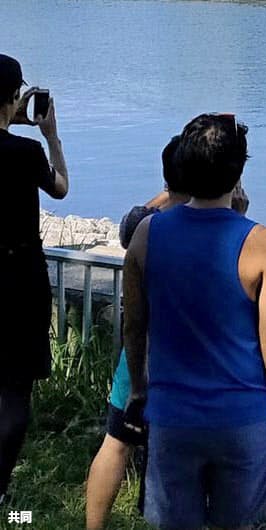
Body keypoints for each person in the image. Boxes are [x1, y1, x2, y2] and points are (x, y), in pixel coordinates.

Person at [123, 113, 266, 529]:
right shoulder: (261, 243)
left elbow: (134, 324)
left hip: (171, 413)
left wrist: (140, 389)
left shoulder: (147, 235)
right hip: (243, 416)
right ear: (238, 173)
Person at [86, 135, 249, 529]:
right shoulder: (222, 231)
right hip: (193, 360)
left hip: (141, 353)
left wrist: (168, 195)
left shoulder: (149, 228)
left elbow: (129, 226)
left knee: (117, 440)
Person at [0, 54, 69, 506]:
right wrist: (50, 135)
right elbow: (61, 186)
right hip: (19, 275)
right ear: (13, 98)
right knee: (15, 384)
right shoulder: (24, 154)